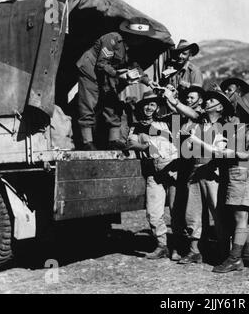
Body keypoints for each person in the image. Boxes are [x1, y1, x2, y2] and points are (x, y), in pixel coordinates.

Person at [165, 88, 234, 264]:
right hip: (196, 171)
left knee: (217, 212)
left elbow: (222, 152)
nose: (207, 102)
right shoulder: (199, 122)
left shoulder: (226, 127)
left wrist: (196, 142)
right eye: (207, 100)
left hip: (214, 173)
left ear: (220, 108)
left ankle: (225, 252)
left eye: (211, 101)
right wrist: (172, 100)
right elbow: (187, 113)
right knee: (192, 212)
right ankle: (194, 251)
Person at [76, 17, 154, 150]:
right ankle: (87, 142)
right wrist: (119, 75)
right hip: (90, 71)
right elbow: (101, 64)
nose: (139, 39)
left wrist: (149, 81)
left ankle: (114, 141)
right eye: (136, 35)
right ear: (129, 33)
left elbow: (135, 66)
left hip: (108, 74)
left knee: (112, 103)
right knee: (88, 103)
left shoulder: (132, 47)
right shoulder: (112, 39)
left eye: (142, 36)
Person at [126, 90, 179, 259]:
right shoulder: (136, 126)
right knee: (153, 212)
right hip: (153, 172)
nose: (149, 107)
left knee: (177, 211)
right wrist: (147, 147)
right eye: (146, 104)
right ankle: (162, 245)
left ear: (158, 107)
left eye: (153, 104)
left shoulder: (168, 122)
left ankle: (178, 247)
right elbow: (130, 143)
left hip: (172, 170)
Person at [212, 92, 249, 273]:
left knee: (240, 219)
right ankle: (248, 257)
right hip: (235, 175)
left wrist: (230, 153)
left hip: (242, 176)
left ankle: (235, 258)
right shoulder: (236, 128)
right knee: (242, 220)